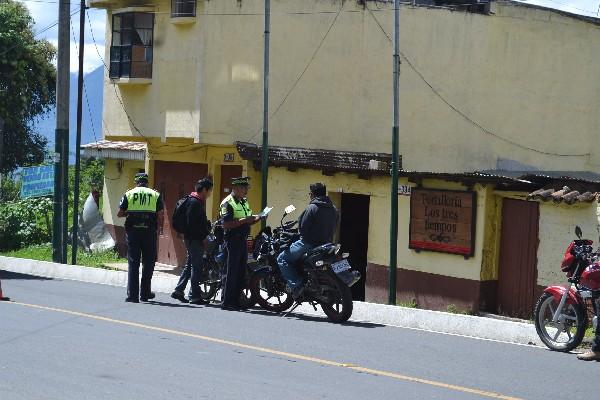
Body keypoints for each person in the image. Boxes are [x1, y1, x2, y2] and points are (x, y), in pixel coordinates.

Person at [277, 183, 338, 299]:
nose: (309, 195)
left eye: (310, 193)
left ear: (313, 194)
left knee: (282, 258)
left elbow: (303, 228)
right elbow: (334, 226)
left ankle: (297, 285)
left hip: (309, 243)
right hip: (327, 243)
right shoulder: (333, 208)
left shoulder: (312, 208)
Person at [117, 172, 164, 303]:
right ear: (147, 182)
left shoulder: (129, 194)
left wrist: (130, 213)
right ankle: (145, 293)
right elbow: (160, 215)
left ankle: (133, 295)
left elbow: (119, 213)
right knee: (148, 264)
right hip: (149, 232)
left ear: (136, 181)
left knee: (133, 263)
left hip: (133, 232)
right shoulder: (155, 194)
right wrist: (159, 229)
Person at [219, 176, 263, 310]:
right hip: (232, 240)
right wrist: (244, 220)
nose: (246, 191)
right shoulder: (227, 203)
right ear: (236, 188)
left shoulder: (243, 202)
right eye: (244, 188)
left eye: (247, 188)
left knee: (240, 272)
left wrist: (259, 217)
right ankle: (227, 302)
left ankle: (237, 300)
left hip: (242, 239)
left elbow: (247, 219)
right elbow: (226, 224)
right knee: (230, 272)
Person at [171, 178, 214, 305]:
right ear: (204, 190)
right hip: (194, 240)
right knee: (197, 267)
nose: (210, 194)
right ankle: (194, 295)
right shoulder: (195, 203)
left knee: (190, 265)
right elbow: (193, 224)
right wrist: (204, 237)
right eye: (210, 190)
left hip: (191, 238)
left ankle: (179, 290)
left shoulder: (195, 201)